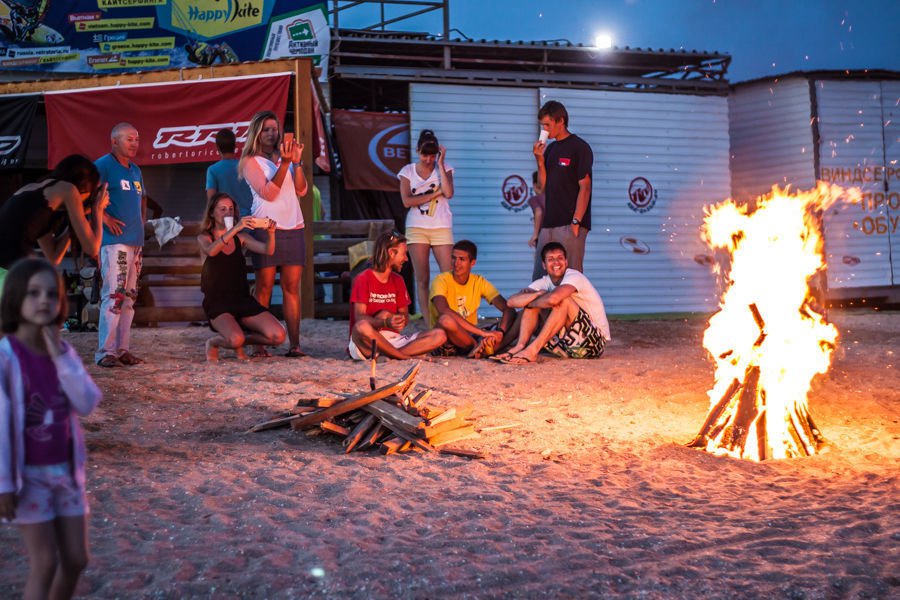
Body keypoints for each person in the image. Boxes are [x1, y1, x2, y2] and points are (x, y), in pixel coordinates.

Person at [0, 258, 102, 599]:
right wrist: (3, 484)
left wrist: (60, 357)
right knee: (45, 563)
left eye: (51, 294)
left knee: (76, 559)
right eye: (33, 293)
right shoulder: (5, 357)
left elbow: (87, 402)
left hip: (66, 473)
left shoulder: (63, 352)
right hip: (27, 477)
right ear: (15, 298)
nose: (43, 300)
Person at [239, 111, 309, 358]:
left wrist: (296, 163)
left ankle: (295, 345)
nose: (272, 134)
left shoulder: (283, 158)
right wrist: (286, 164)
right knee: (264, 287)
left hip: (293, 225)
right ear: (257, 133)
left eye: (274, 129)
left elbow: (302, 190)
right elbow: (268, 193)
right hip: (265, 227)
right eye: (266, 129)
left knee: (292, 287)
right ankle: (258, 344)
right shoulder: (249, 161)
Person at [197, 193, 286, 362]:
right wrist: (235, 229)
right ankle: (214, 343)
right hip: (217, 301)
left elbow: (268, 250)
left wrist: (271, 233)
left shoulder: (241, 238)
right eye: (222, 209)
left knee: (279, 335)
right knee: (235, 339)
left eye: (231, 209)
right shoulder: (204, 237)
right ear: (212, 213)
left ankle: (242, 340)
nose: (227, 213)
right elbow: (211, 251)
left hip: (242, 299)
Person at [0, 154, 109, 285]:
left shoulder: (40, 198)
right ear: (84, 187)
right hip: (9, 267)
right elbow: (92, 249)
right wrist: (98, 208)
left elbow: (54, 258)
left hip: (8, 266)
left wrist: (77, 221)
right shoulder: (68, 189)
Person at [496, 242, 610, 364]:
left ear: (566, 262)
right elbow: (511, 302)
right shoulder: (544, 282)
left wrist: (530, 302)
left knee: (563, 300)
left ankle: (532, 351)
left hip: (593, 345)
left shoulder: (574, 276)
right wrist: (536, 295)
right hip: (565, 347)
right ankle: (520, 346)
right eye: (551, 259)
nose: (556, 262)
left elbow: (554, 299)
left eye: (560, 258)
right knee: (532, 303)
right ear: (544, 265)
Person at [94, 122, 147, 368]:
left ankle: (122, 349)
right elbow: (87, 198)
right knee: (114, 296)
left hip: (135, 242)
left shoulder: (135, 170)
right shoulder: (103, 166)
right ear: (114, 141)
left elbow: (143, 198)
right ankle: (105, 352)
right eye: (129, 139)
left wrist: (141, 221)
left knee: (129, 299)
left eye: (136, 139)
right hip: (114, 242)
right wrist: (105, 218)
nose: (134, 144)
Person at [348, 230, 446, 361]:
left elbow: (404, 316)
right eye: (404, 254)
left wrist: (398, 320)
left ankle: (389, 355)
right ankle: (403, 356)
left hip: (393, 340)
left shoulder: (398, 280)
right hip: (368, 342)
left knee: (440, 335)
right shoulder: (363, 279)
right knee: (361, 326)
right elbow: (359, 317)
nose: (406, 259)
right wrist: (384, 321)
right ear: (391, 253)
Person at [398, 129, 455, 326]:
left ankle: (449, 319)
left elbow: (448, 193)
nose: (428, 159)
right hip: (417, 227)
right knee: (422, 279)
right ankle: (430, 324)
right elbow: (407, 201)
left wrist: (441, 163)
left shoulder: (444, 168)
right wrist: (435, 194)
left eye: (432, 155)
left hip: (441, 226)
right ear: (417, 151)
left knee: (448, 276)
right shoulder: (407, 171)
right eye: (425, 155)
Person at [533, 100, 593, 273]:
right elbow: (541, 188)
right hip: (549, 222)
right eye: (542, 125)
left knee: (570, 275)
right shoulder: (550, 149)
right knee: (540, 275)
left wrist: (576, 222)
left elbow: (585, 187)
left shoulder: (579, 147)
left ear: (561, 121)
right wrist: (539, 160)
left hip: (570, 223)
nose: (544, 130)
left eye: (547, 125)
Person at [430, 240, 516, 358]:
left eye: (462, 259)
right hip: (447, 338)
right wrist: (481, 332)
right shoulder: (440, 280)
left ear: (472, 263)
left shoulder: (479, 282)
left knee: (520, 316)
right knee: (445, 320)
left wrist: (501, 332)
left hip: (470, 336)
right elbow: (443, 310)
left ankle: (483, 347)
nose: (456, 263)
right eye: (454, 258)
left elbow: (508, 308)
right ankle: (479, 347)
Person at [205, 128, 253, 217]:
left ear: (217, 148)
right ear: (235, 146)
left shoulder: (213, 170)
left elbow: (211, 201)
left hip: (227, 220)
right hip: (249, 219)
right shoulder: (247, 166)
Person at [527, 170, 546, 281]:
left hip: (542, 236)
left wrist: (535, 235)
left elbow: (538, 212)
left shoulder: (534, 199)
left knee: (540, 266)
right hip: (555, 234)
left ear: (534, 185)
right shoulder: (552, 199)